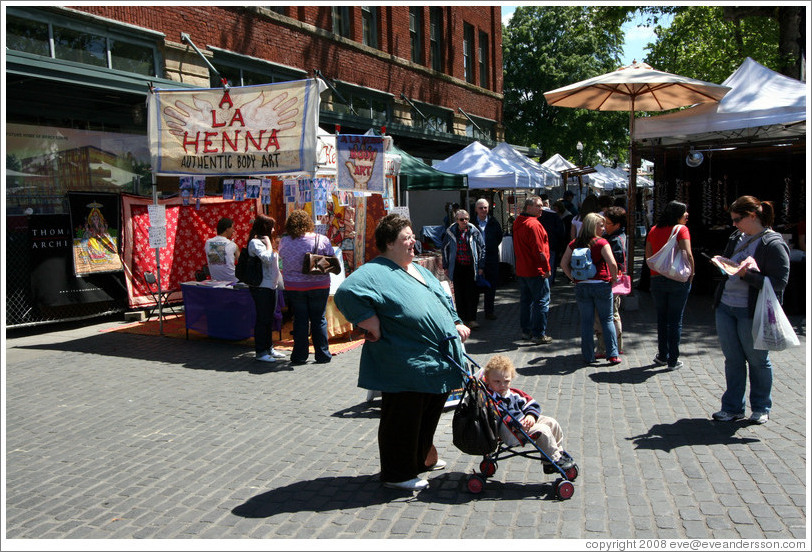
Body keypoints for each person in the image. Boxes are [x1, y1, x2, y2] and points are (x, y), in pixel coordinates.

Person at [334, 214, 470, 491]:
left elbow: (443, 298)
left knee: (428, 413)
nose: (412, 242)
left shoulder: (418, 269)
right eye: (405, 238)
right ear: (388, 243)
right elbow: (345, 292)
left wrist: (455, 321)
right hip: (405, 361)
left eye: (412, 236)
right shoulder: (377, 271)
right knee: (403, 417)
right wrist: (368, 321)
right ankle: (397, 473)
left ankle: (420, 459)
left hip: (437, 360)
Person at [711, 196, 790, 424]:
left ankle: (761, 407)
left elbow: (779, 282)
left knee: (757, 360)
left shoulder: (772, 243)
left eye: (738, 219)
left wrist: (748, 275)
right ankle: (733, 408)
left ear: (753, 216)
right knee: (733, 359)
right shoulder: (737, 237)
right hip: (726, 306)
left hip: (751, 310)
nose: (734, 224)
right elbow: (730, 263)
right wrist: (723, 264)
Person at [482, 355, 575, 471]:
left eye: (506, 381)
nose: (502, 385)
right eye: (497, 382)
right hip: (511, 430)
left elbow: (530, 404)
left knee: (552, 423)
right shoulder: (490, 398)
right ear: (488, 380)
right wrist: (518, 424)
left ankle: (556, 452)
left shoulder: (513, 393)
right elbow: (500, 416)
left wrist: (530, 415)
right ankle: (554, 459)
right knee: (544, 430)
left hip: (523, 422)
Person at [560, 212, 621, 365]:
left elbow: (563, 263)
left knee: (586, 322)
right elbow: (612, 264)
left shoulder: (574, 243)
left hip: (582, 286)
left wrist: (573, 278)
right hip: (601, 285)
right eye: (601, 225)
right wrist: (613, 279)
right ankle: (612, 353)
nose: (604, 228)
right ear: (594, 226)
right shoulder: (602, 243)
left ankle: (588, 355)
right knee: (607, 319)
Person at [279, 210, 335, 365]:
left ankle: (299, 355)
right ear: (308, 223)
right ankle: (322, 354)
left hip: (294, 286)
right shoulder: (321, 239)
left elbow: (282, 257)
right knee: (319, 319)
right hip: (319, 283)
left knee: (300, 319)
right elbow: (332, 259)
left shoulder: (285, 241)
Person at [645, 200, 695, 370]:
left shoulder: (653, 230)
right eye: (684, 212)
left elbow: (648, 256)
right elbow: (687, 253)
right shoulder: (682, 229)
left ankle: (662, 355)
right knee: (675, 320)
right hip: (677, 279)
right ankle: (673, 360)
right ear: (677, 215)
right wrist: (691, 273)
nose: (687, 215)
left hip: (656, 279)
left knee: (661, 319)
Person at [512, 196, 553, 344]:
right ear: (528, 207)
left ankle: (526, 331)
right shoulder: (533, 225)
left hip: (523, 269)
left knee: (526, 301)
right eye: (538, 206)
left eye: (541, 205)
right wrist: (546, 268)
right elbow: (539, 251)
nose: (541, 208)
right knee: (541, 301)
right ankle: (538, 334)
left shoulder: (518, 222)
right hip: (535, 270)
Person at [247, 214, 282, 363]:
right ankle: (260, 351)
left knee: (269, 317)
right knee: (262, 319)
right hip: (261, 286)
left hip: (271, 286)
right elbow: (267, 259)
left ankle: (269, 347)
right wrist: (269, 244)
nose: (274, 230)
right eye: (271, 226)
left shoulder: (265, 242)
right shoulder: (255, 243)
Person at [442, 209, 485, 329]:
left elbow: (482, 248)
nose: (464, 221)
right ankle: (461, 320)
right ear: (457, 220)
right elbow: (445, 248)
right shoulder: (451, 231)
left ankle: (472, 319)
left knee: (472, 293)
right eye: (461, 219)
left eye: (466, 218)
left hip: (471, 266)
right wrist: (445, 265)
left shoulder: (474, 231)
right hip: (457, 266)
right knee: (459, 294)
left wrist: (481, 265)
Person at [594, 206, 627, 358]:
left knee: (610, 316)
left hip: (611, 282)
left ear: (617, 224)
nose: (605, 226)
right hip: (611, 281)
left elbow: (616, 263)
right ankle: (612, 347)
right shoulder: (616, 237)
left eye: (607, 223)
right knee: (611, 315)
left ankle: (607, 348)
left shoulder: (614, 240)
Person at [473, 198, 503, 320]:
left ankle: (489, 311)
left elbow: (499, 237)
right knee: (474, 287)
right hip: (475, 259)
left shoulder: (494, 222)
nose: (483, 210)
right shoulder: (471, 224)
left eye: (485, 207)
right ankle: (472, 314)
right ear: (476, 209)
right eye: (481, 208)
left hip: (491, 258)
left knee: (491, 285)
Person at [538, 195, 566, 286]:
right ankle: (548, 283)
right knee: (550, 264)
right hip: (552, 244)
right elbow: (560, 231)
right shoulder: (554, 215)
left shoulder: (536, 215)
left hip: (539, 244)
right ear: (546, 203)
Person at [204, 217, 239, 282]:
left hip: (216, 281)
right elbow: (241, 263)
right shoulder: (232, 245)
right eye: (232, 228)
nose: (233, 230)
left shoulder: (208, 243)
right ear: (227, 229)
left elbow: (218, 263)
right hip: (233, 280)